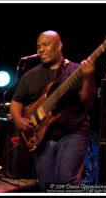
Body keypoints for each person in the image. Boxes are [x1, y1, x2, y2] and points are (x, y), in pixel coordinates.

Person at [10, 30, 96, 192]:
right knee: (46, 186)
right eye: (38, 47)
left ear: (59, 45)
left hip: (73, 132)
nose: (40, 49)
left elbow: (87, 101)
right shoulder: (30, 76)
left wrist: (89, 77)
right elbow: (16, 102)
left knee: (66, 182)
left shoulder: (75, 71)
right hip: (43, 137)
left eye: (45, 45)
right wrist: (19, 120)